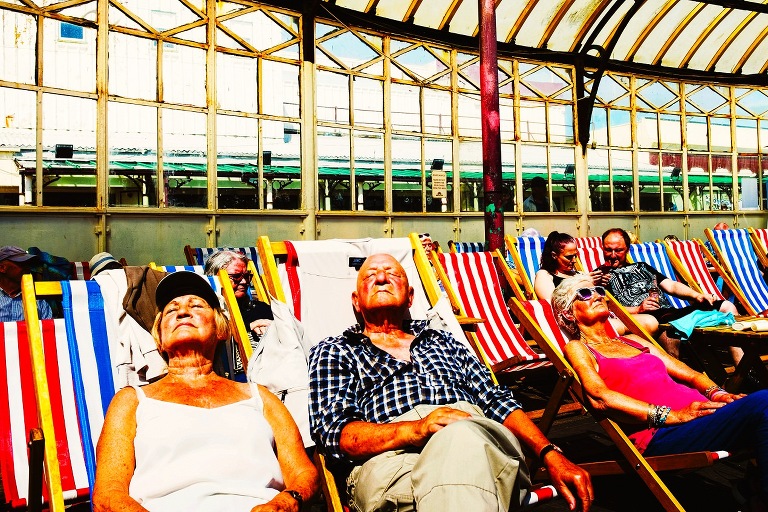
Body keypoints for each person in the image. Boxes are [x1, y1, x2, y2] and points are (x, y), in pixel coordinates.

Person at [309, 253, 592, 512]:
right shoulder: (336, 350)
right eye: (370, 276)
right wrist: (417, 428)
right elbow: (337, 434)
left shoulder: (442, 340)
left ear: (410, 297)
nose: (381, 278)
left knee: (462, 438)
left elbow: (495, 400)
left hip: (478, 438)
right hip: (392, 461)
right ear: (356, 301)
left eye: (392, 274)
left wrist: (549, 453)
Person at [93, 271, 318, 511]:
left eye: (197, 305)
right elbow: (108, 494)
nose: (182, 312)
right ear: (159, 337)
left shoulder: (260, 397)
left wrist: (286, 501)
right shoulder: (131, 401)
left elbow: (303, 472)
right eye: (171, 310)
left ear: (221, 329)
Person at [552, 275, 768, 510]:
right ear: (568, 314)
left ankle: (753, 490)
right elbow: (600, 397)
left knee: (759, 406)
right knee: (764, 402)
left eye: (599, 290)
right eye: (584, 293)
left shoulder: (632, 340)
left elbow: (691, 374)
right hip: (664, 433)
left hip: (703, 416)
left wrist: (718, 394)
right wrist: (672, 415)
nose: (597, 295)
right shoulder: (579, 348)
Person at [595, 228, 739, 358]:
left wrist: (697, 295)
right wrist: (638, 309)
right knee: (671, 334)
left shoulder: (642, 267)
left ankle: (742, 372)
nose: (613, 255)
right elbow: (603, 310)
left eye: (618, 250)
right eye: (608, 250)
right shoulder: (598, 278)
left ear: (627, 249)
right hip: (649, 321)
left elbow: (671, 286)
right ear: (603, 249)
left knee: (727, 307)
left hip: (670, 313)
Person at [205, 250, 273, 381]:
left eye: (246, 276)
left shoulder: (261, 308)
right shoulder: (209, 312)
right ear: (215, 277)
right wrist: (249, 327)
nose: (243, 282)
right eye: (236, 276)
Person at [0, 246, 53, 322]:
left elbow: (49, 330)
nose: (27, 268)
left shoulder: (39, 302)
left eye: (28, 264)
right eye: (21, 263)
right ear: (2, 268)